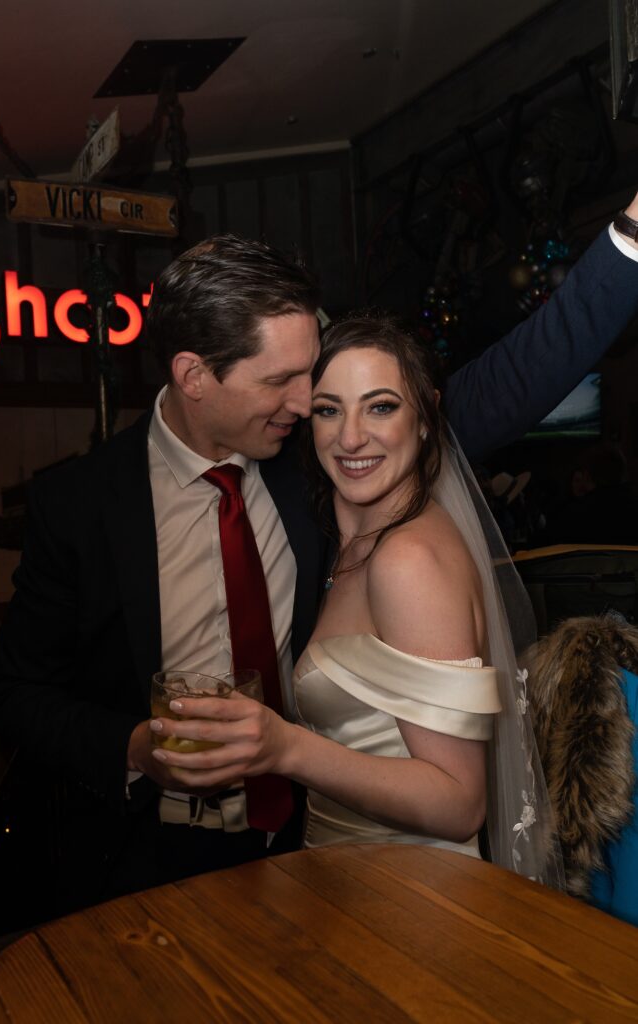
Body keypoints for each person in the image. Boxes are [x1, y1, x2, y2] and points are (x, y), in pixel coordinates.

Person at [0, 203, 638, 921]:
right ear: (194, 374)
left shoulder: (320, 456)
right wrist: (138, 747)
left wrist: (626, 242)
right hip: (143, 862)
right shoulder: (80, 505)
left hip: (307, 846)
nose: (308, 401)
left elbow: (509, 380)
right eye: (283, 381)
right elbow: (18, 693)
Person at [150, 317, 563, 884]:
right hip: (343, 880)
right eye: (328, 409)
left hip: (412, 896)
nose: (350, 437)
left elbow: (458, 804)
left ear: (425, 419)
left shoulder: (408, 561)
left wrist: (283, 748)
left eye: (381, 406)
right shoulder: (349, 543)